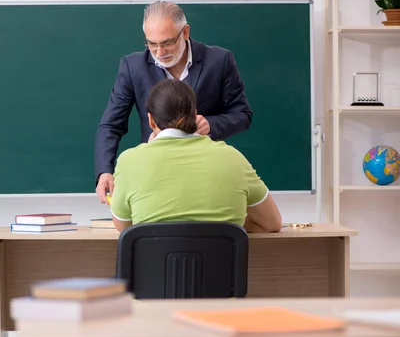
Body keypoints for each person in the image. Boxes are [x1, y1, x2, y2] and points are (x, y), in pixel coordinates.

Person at [95, 0, 252, 203]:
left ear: (185, 32)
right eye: (152, 44)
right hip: (154, 176)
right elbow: (111, 125)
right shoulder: (132, 67)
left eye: (167, 42)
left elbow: (242, 115)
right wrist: (104, 171)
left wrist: (211, 124)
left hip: (206, 174)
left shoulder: (219, 61)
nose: (160, 52)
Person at [109, 79, 281, 234]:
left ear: (151, 120)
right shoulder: (233, 158)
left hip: (153, 269)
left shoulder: (129, 161)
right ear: (195, 115)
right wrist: (234, 226)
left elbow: (124, 227)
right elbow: (271, 223)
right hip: (219, 269)